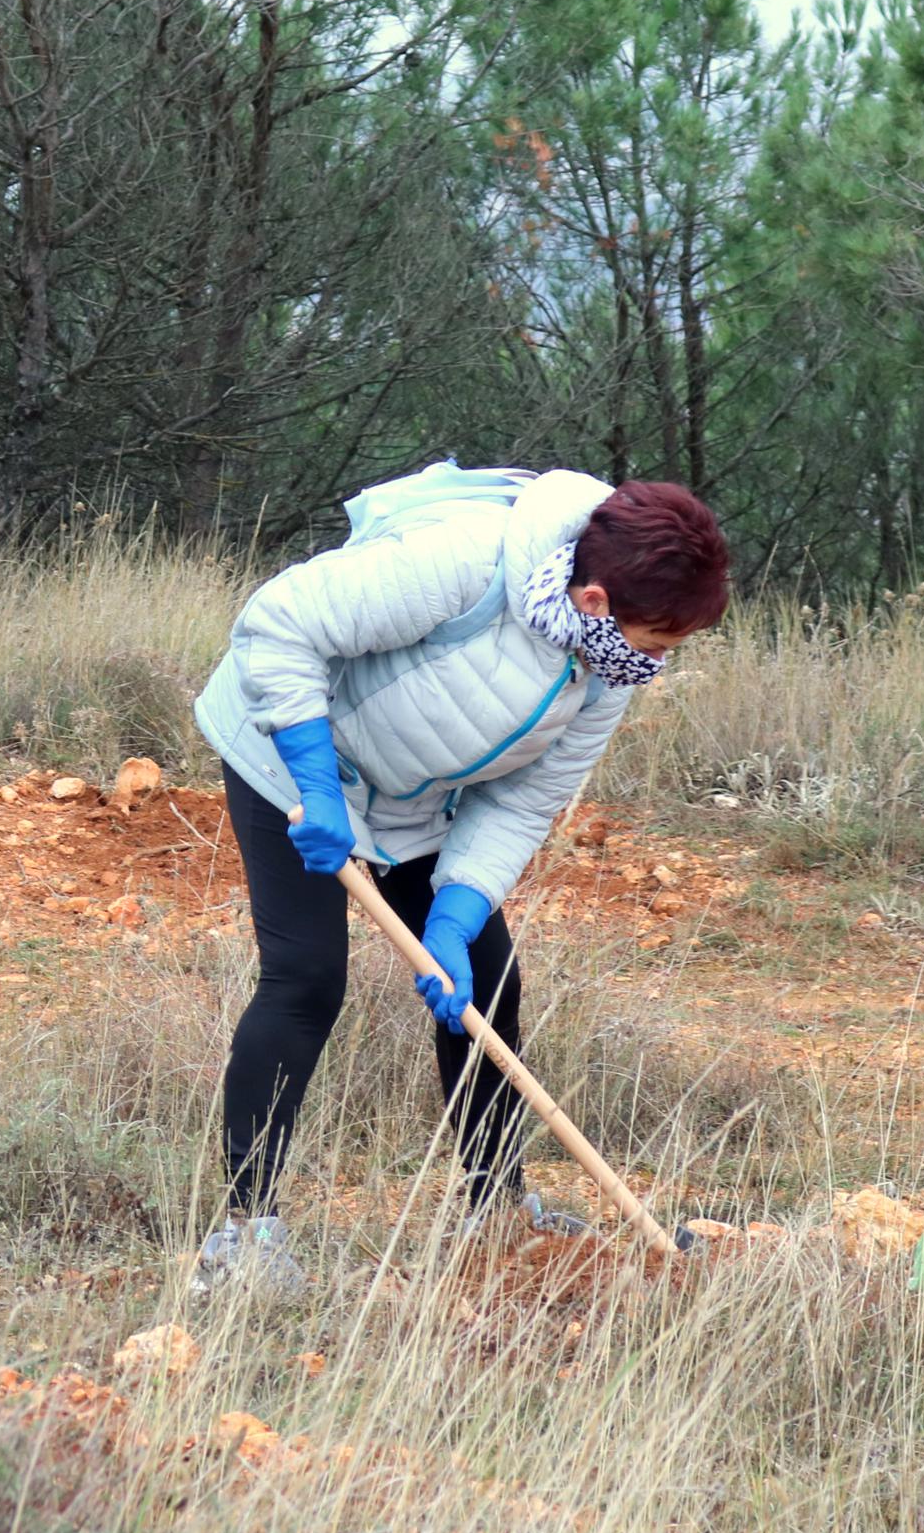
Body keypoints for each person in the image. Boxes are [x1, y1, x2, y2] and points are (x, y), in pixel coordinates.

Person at [189, 463, 730, 1297]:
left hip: (414, 800)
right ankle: (242, 1235)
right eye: (657, 641)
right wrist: (314, 775)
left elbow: (526, 799)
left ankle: (497, 1205)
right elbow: (278, 623)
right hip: (287, 756)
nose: (657, 663)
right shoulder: (466, 562)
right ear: (597, 603)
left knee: (486, 973)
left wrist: (457, 909)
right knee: (306, 978)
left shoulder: (609, 664)